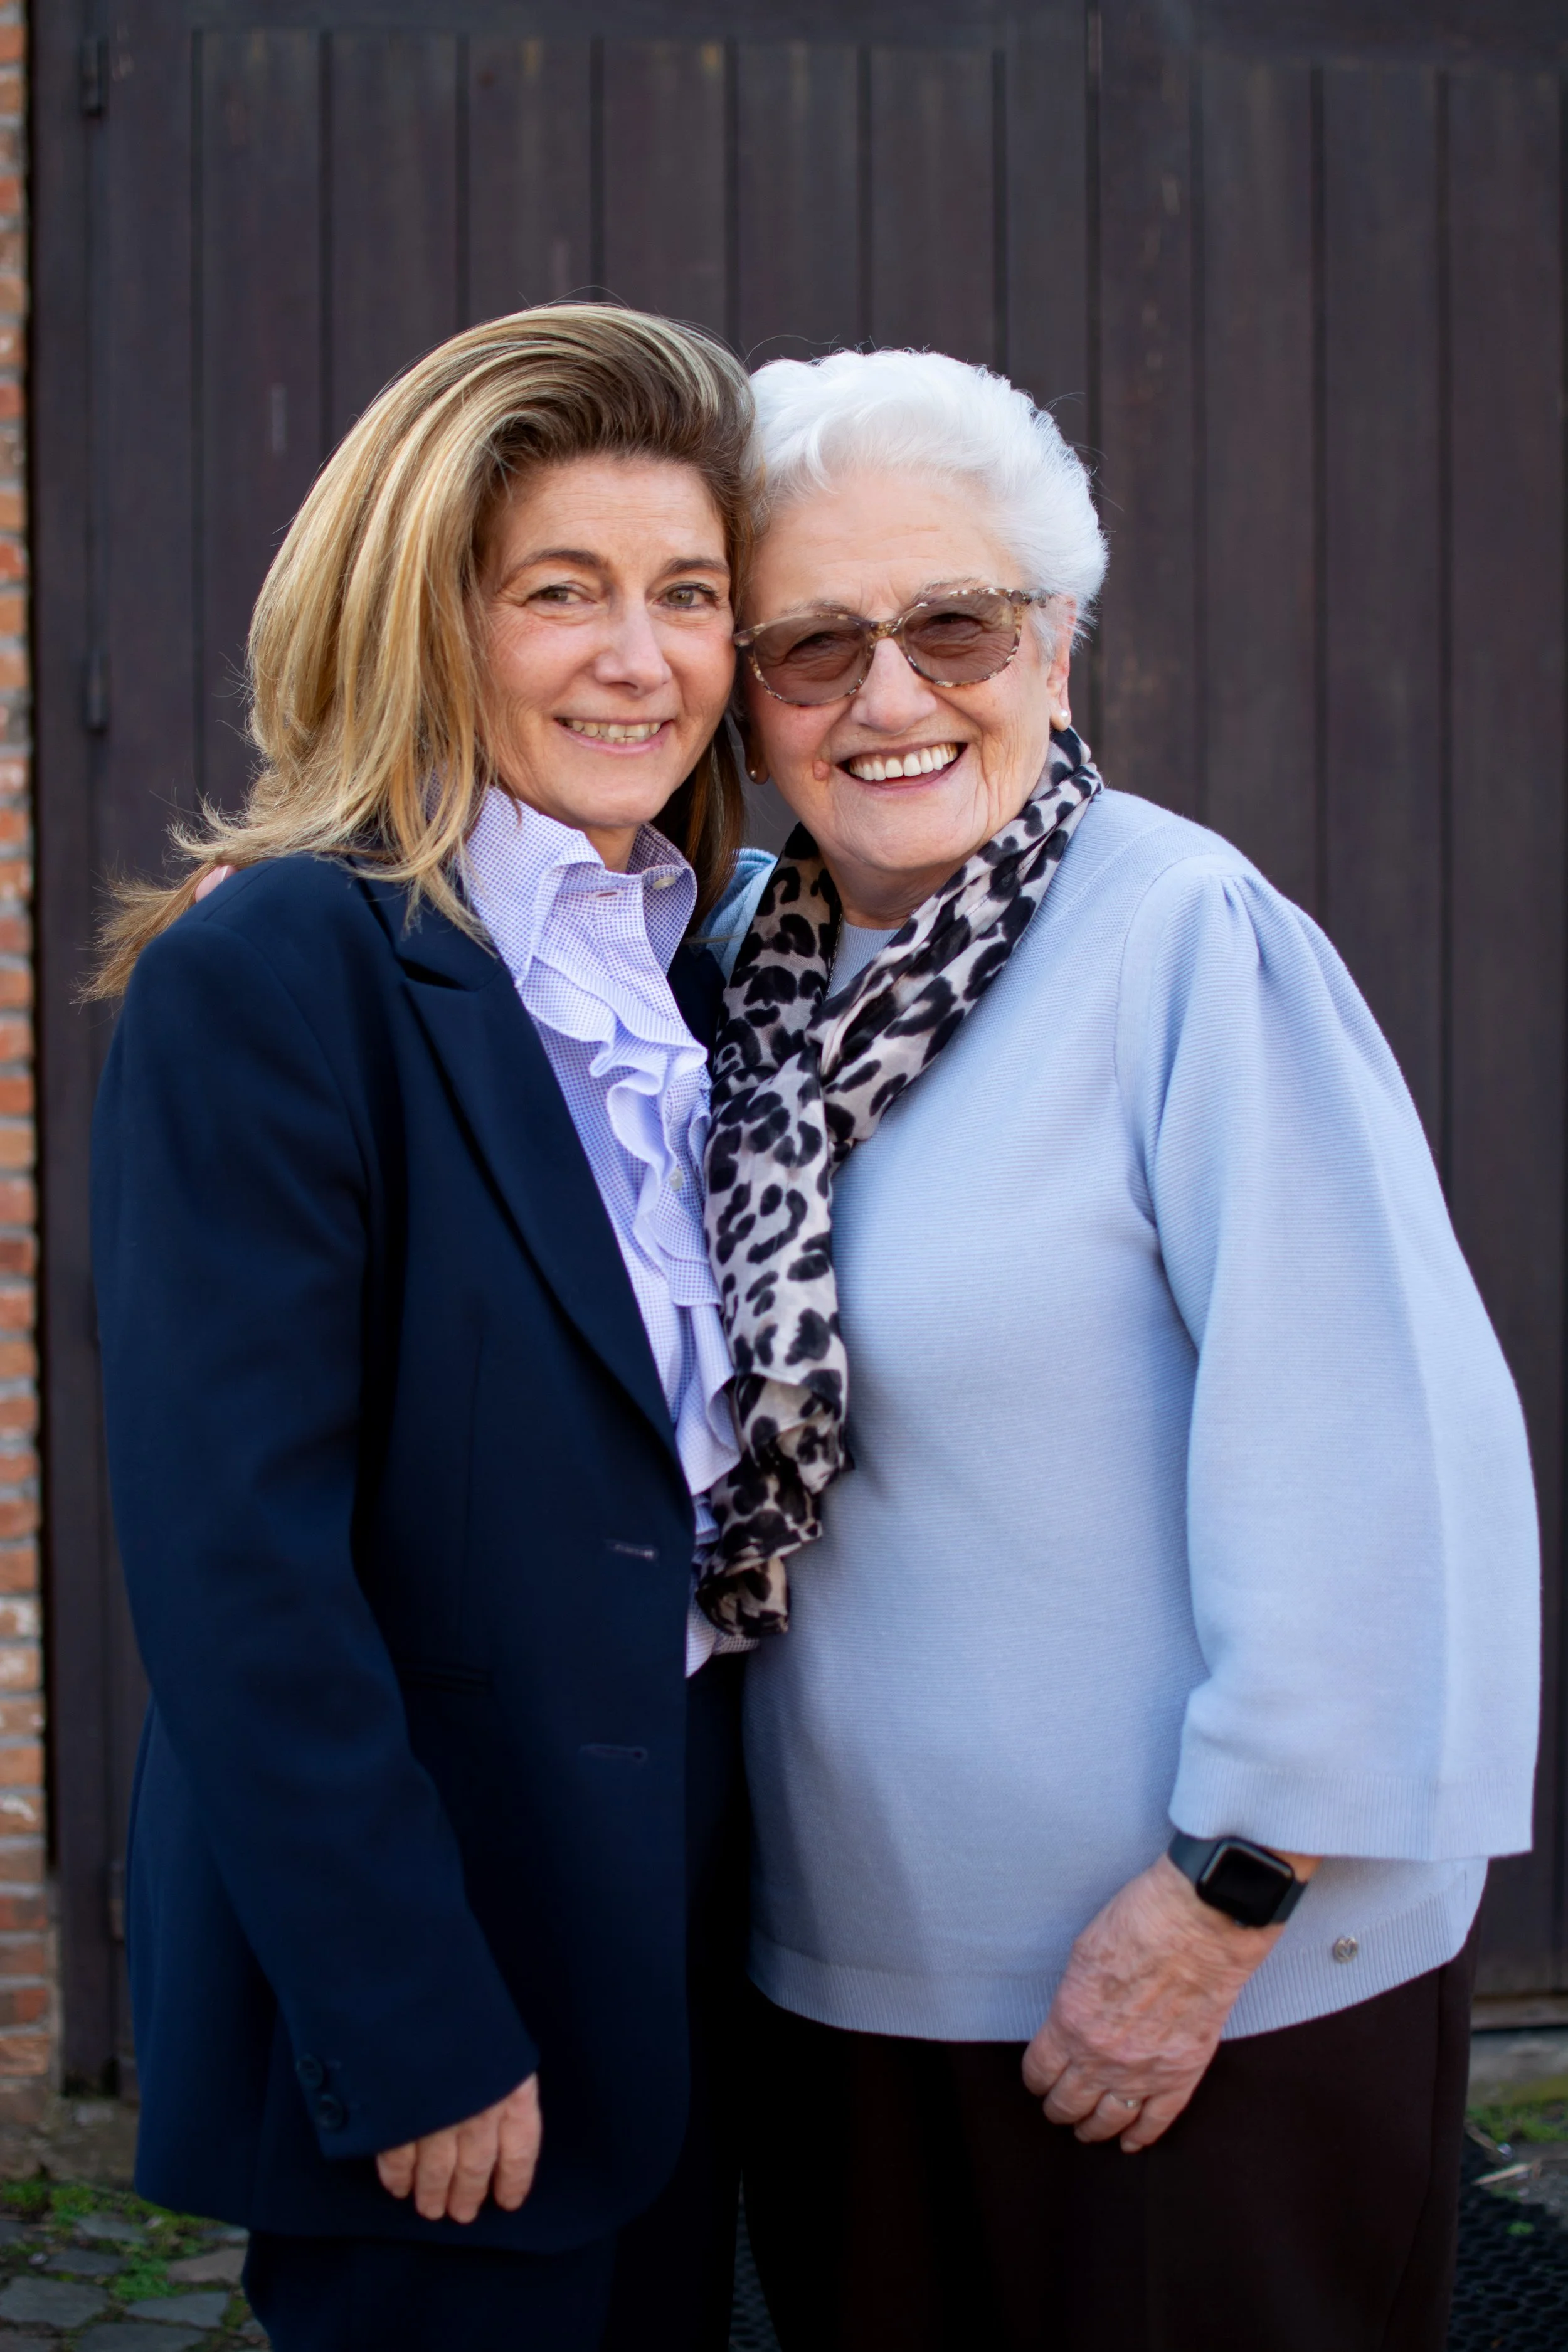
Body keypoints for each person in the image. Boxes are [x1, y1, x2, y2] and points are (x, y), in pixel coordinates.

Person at [699, 348, 1541, 2352]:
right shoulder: (729, 971)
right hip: (845, 1963)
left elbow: (1374, 1456)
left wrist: (1218, 1896)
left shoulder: (1179, 939)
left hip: (1196, 1981)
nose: (887, 696)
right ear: (745, 693)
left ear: (1056, 644)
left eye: (954, 625)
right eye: (812, 644)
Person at [89, 305, 770, 2352]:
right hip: (442, 1974)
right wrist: (408, 2017)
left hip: (680, 1944)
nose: (638, 658)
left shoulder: (707, 973)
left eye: (689, 595)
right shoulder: (283, 966)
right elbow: (240, 1569)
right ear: (425, 620)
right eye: (559, 592)